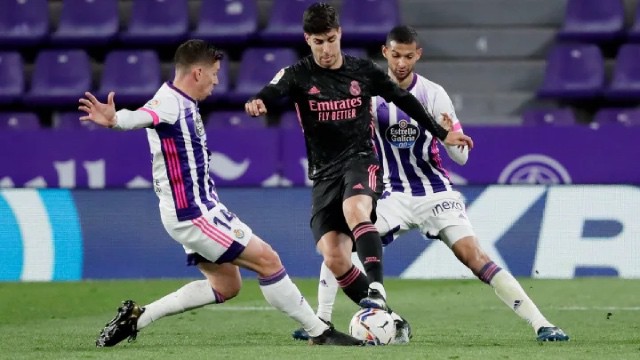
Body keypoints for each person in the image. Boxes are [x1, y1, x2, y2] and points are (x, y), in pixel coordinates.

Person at [291, 25, 570, 343]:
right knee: (340, 244)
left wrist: (454, 139)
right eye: (395, 55)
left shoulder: (434, 94)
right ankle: (321, 321)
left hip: (435, 192)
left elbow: (460, 157)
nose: (401, 63)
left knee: (474, 256)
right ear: (385, 53)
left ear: (417, 55)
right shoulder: (369, 94)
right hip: (392, 194)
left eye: (408, 56)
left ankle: (541, 324)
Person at [79, 39, 364, 347]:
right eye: (214, 73)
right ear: (197, 73)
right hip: (193, 213)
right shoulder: (169, 102)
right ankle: (319, 332)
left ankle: (138, 316)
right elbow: (142, 116)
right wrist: (115, 119)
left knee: (226, 285)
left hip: (198, 209)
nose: (217, 80)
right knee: (268, 260)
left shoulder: (183, 102)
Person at [245, 3, 473, 318]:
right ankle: (388, 319)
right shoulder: (298, 74)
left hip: (361, 160)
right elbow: (273, 90)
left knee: (355, 210)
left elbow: (406, 100)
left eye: (331, 39)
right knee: (334, 257)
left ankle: (377, 289)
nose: (326, 49)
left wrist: (440, 133)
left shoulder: (362, 71)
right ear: (307, 39)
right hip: (324, 173)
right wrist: (259, 101)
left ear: (339, 34)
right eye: (318, 42)